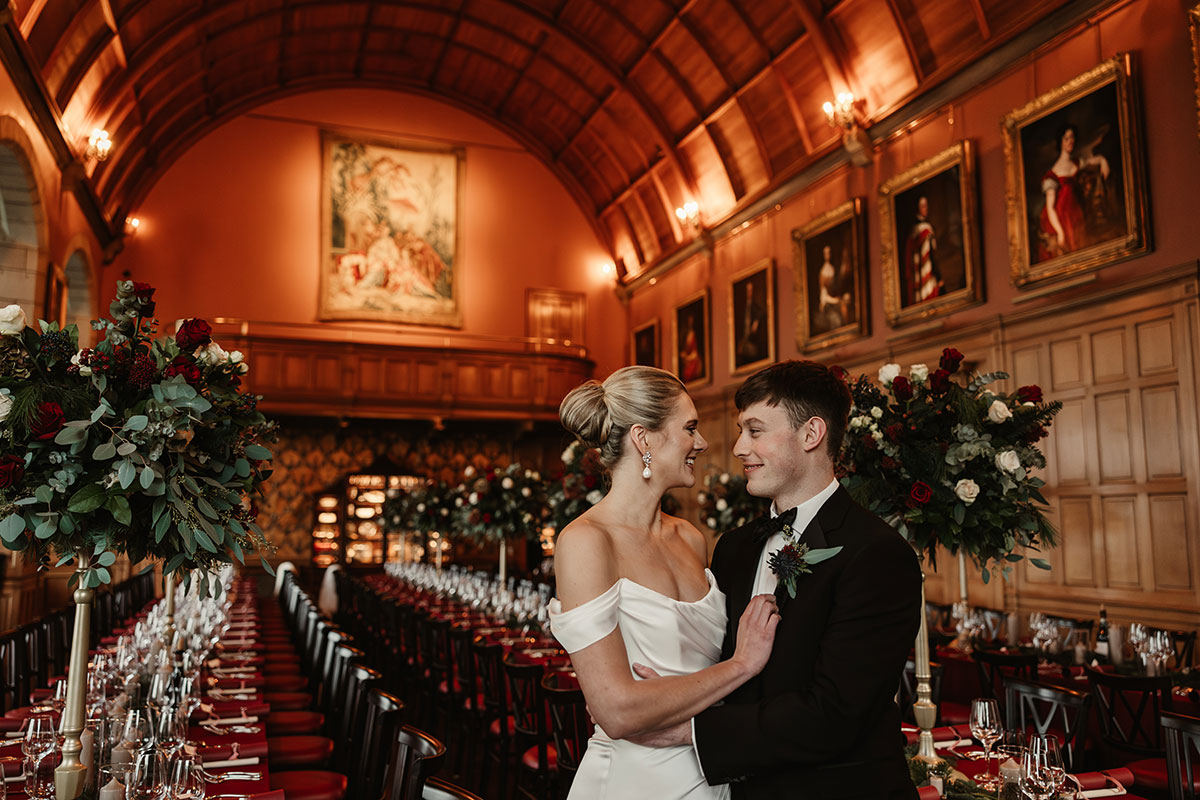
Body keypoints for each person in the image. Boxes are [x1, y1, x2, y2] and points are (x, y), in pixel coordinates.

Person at [630, 360, 923, 800]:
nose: (738, 447)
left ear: (811, 434)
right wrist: (660, 697)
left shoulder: (878, 554)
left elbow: (834, 715)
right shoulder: (733, 547)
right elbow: (723, 664)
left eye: (755, 430)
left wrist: (689, 729)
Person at [549, 366, 780, 800]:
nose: (703, 442)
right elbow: (616, 711)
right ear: (644, 439)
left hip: (713, 770)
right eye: (690, 427)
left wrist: (672, 699)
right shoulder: (585, 542)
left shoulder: (691, 539)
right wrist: (740, 665)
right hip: (634, 780)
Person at [1037, 123, 1110, 262]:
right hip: (1063, 218)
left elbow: (1092, 161)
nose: (1071, 141)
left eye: (1072, 137)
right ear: (1061, 142)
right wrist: (1059, 231)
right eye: (1067, 138)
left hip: (1077, 213)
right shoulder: (1052, 174)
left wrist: (1102, 160)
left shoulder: (1076, 163)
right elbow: (1051, 208)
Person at [903, 196, 941, 305]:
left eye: (926, 206)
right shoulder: (924, 229)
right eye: (923, 206)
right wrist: (938, 276)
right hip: (923, 272)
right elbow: (931, 254)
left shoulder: (915, 229)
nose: (926, 209)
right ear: (918, 208)